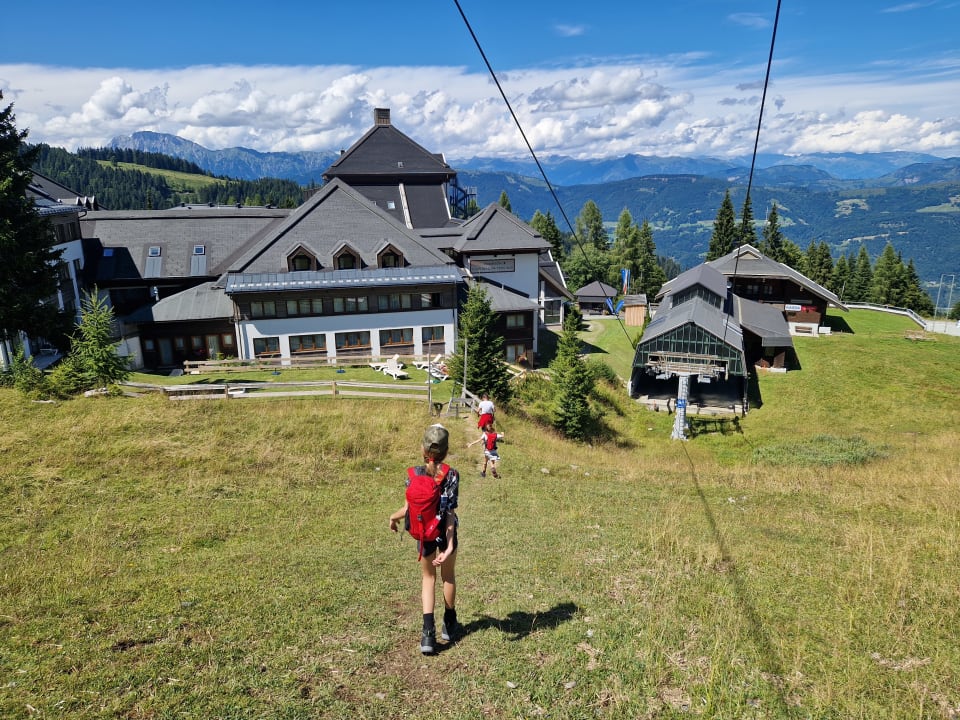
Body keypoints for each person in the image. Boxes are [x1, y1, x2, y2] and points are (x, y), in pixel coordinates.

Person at [388, 424, 461, 654]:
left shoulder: (413, 474)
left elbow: (408, 509)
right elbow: (449, 513)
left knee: (428, 579)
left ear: (423, 450)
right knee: (447, 576)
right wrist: (448, 546)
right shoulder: (451, 474)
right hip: (444, 534)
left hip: (424, 535)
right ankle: (449, 624)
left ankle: (427, 635)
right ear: (446, 452)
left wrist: (393, 517)